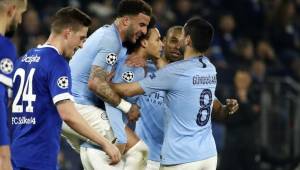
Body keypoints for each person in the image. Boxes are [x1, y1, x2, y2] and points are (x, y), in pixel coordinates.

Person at [111, 17, 238, 170]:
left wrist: (100, 82)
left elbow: (216, 109)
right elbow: (120, 98)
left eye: (181, 39)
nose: (177, 46)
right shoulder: (142, 68)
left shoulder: (180, 73)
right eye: (172, 41)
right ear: (163, 41)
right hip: (150, 157)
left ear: (188, 41)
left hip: (176, 157)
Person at [10, 7, 121, 170]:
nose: (82, 45)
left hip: (16, 155)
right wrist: (105, 143)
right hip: (39, 158)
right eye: (82, 38)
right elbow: (68, 114)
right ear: (68, 33)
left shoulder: (23, 60)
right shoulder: (57, 63)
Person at [62, 0, 152, 169]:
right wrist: (127, 107)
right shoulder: (111, 40)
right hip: (79, 108)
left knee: (103, 160)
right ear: (125, 21)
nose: (144, 31)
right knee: (138, 151)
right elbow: (95, 84)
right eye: (141, 24)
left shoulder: (107, 35)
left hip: (69, 111)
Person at [104, 16, 164, 170]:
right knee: (140, 152)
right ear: (144, 42)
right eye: (158, 40)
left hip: (119, 133)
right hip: (110, 132)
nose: (161, 44)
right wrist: (121, 137)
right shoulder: (130, 66)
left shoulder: (142, 66)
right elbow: (108, 97)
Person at [0, 0, 27, 170]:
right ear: (11, 10)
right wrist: (4, 152)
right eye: (21, 14)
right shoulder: (4, 47)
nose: (20, 20)